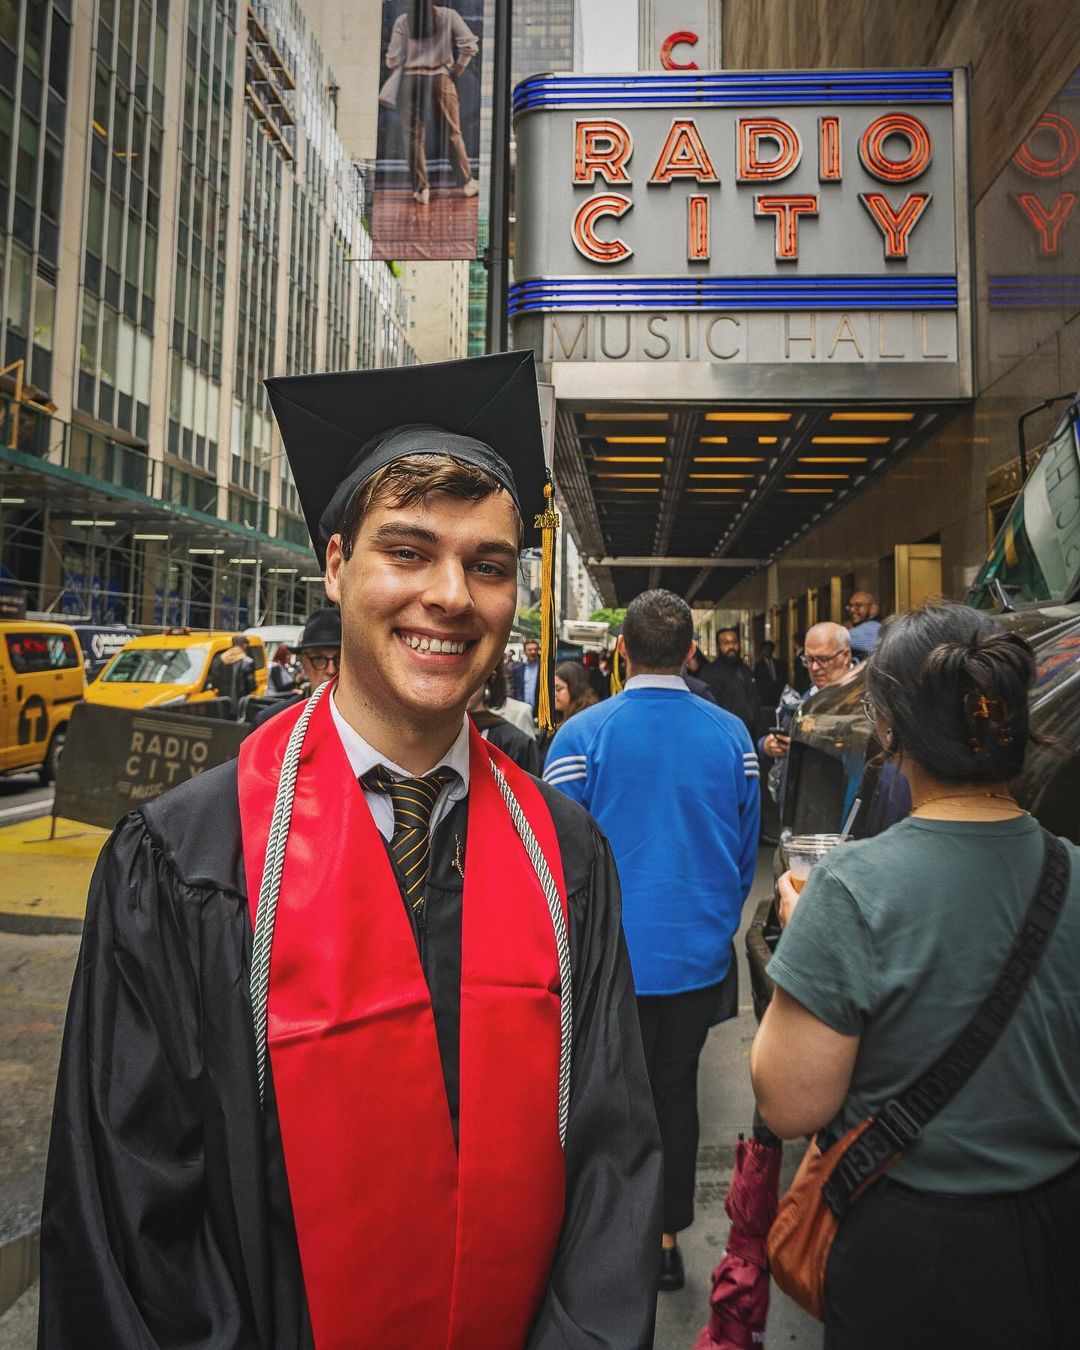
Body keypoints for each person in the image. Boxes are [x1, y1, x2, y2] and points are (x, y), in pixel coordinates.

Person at [39, 352, 662, 1349]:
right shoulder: (187, 861)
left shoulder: (567, 858)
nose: (451, 595)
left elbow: (613, 1167)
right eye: (408, 552)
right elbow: (129, 1212)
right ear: (336, 566)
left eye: (488, 564)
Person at [751, 601, 1080, 1350]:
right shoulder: (1074, 872)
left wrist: (808, 944)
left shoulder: (852, 887)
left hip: (912, 1246)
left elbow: (789, 1102)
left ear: (889, 728)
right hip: (1062, 1230)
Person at [543, 589, 760, 1294]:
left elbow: (552, 858)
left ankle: (608, 1235)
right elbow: (745, 847)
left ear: (621, 653)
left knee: (602, 1096)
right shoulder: (732, 736)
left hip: (606, 960)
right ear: (692, 651)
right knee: (675, 1091)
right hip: (696, 953)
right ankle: (668, 1238)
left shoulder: (580, 737)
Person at [385, 0, 480, 207]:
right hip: (440, 77)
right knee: (453, 132)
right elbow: (470, 46)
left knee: (413, 136)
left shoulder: (404, 20)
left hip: (411, 80)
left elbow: (392, 59)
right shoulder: (448, 15)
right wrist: (457, 70)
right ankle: (466, 183)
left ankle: (422, 189)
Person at [251, 606, 342, 728]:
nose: (331, 670)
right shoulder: (270, 723)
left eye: (340, 659)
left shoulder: (371, 727)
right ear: (304, 663)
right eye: (319, 659)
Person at [702, 625, 758, 735]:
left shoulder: (745, 669)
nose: (731, 647)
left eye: (735, 642)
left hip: (749, 732)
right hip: (725, 733)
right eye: (726, 643)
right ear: (718, 647)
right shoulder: (710, 673)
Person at [207, 632, 255, 718]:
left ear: (233, 644)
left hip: (223, 704)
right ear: (244, 645)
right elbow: (252, 687)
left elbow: (214, 682)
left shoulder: (219, 659)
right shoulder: (248, 662)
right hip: (241, 706)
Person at [508, 635, 542, 715]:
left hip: (539, 711)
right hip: (521, 711)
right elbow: (514, 689)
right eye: (530, 650)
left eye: (535, 649)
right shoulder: (518, 669)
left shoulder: (544, 670)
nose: (533, 652)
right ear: (525, 652)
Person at [846, 590, 882, 656]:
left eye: (858, 605)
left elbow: (837, 641)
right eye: (850, 606)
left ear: (873, 609)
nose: (852, 609)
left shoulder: (872, 628)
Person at [753, 639, 786, 707]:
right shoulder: (759, 665)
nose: (768, 651)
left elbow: (783, 678)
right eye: (766, 649)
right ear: (762, 651)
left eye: (770, 649)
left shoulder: (779, 663)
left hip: (777, 695)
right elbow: (758, 681)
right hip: (765, 696)